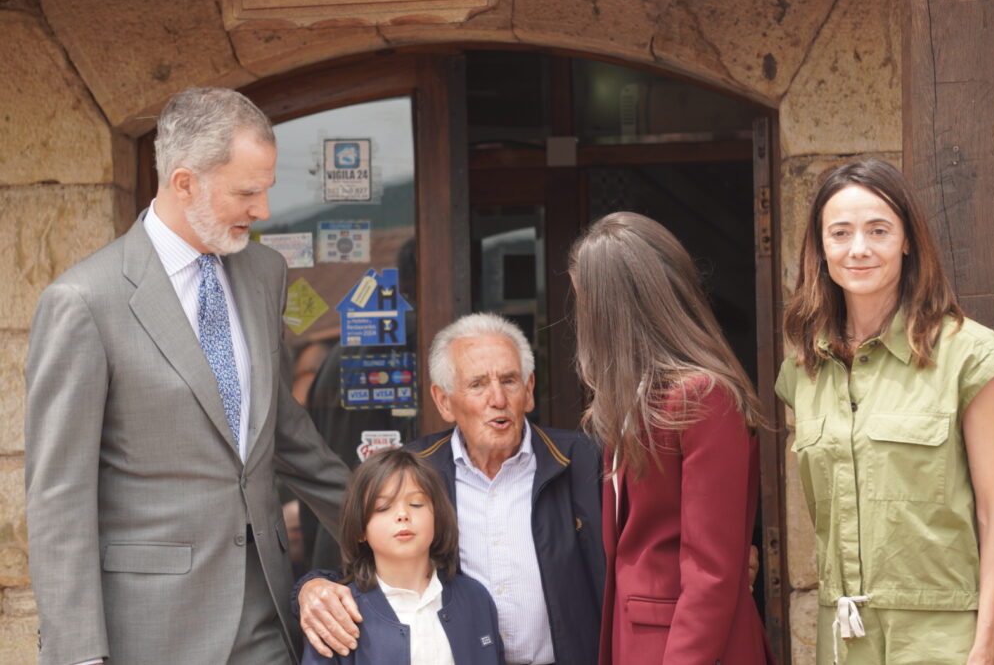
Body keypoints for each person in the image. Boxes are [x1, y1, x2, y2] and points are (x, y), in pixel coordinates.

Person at [24, 87, 358, 665]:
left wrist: (381, 521)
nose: (264, 211)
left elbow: (281, 433)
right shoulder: (83, 301)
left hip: (267, 615)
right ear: (184, 184)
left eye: (267, 189)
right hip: (150, 630)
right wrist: (78, 654)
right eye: (247, 192)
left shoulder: (264, 272)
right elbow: (59, 497)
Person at [775, 158, 994, 664]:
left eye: (878, 230)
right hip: (845, 639)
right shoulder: (803, 370)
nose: (859, 248)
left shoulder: (966, 354)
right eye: (840, 233)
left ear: (908, 240)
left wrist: (985, 647)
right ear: (821, 249)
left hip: (947, 639)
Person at [296, 312, 605, 665]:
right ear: (443, 401)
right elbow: (360, 561)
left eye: (509, 380)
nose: (498, 399)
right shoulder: (414, 472)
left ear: (529, 391)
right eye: (477, 384)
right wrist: (310, 587)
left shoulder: (582, 461)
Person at [569, 211, 773, 664]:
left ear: (613, 307)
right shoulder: (634, 402)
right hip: (642, 640)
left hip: (687, 648)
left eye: (584, 300)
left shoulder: (704, 396)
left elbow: (709, 571)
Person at [301, 449, 504, 665]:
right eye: (383, 507)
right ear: (360, 528)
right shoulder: (338, 611)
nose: (402, 514)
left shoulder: (475, 597)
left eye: (416, 503)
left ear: (437, 516)